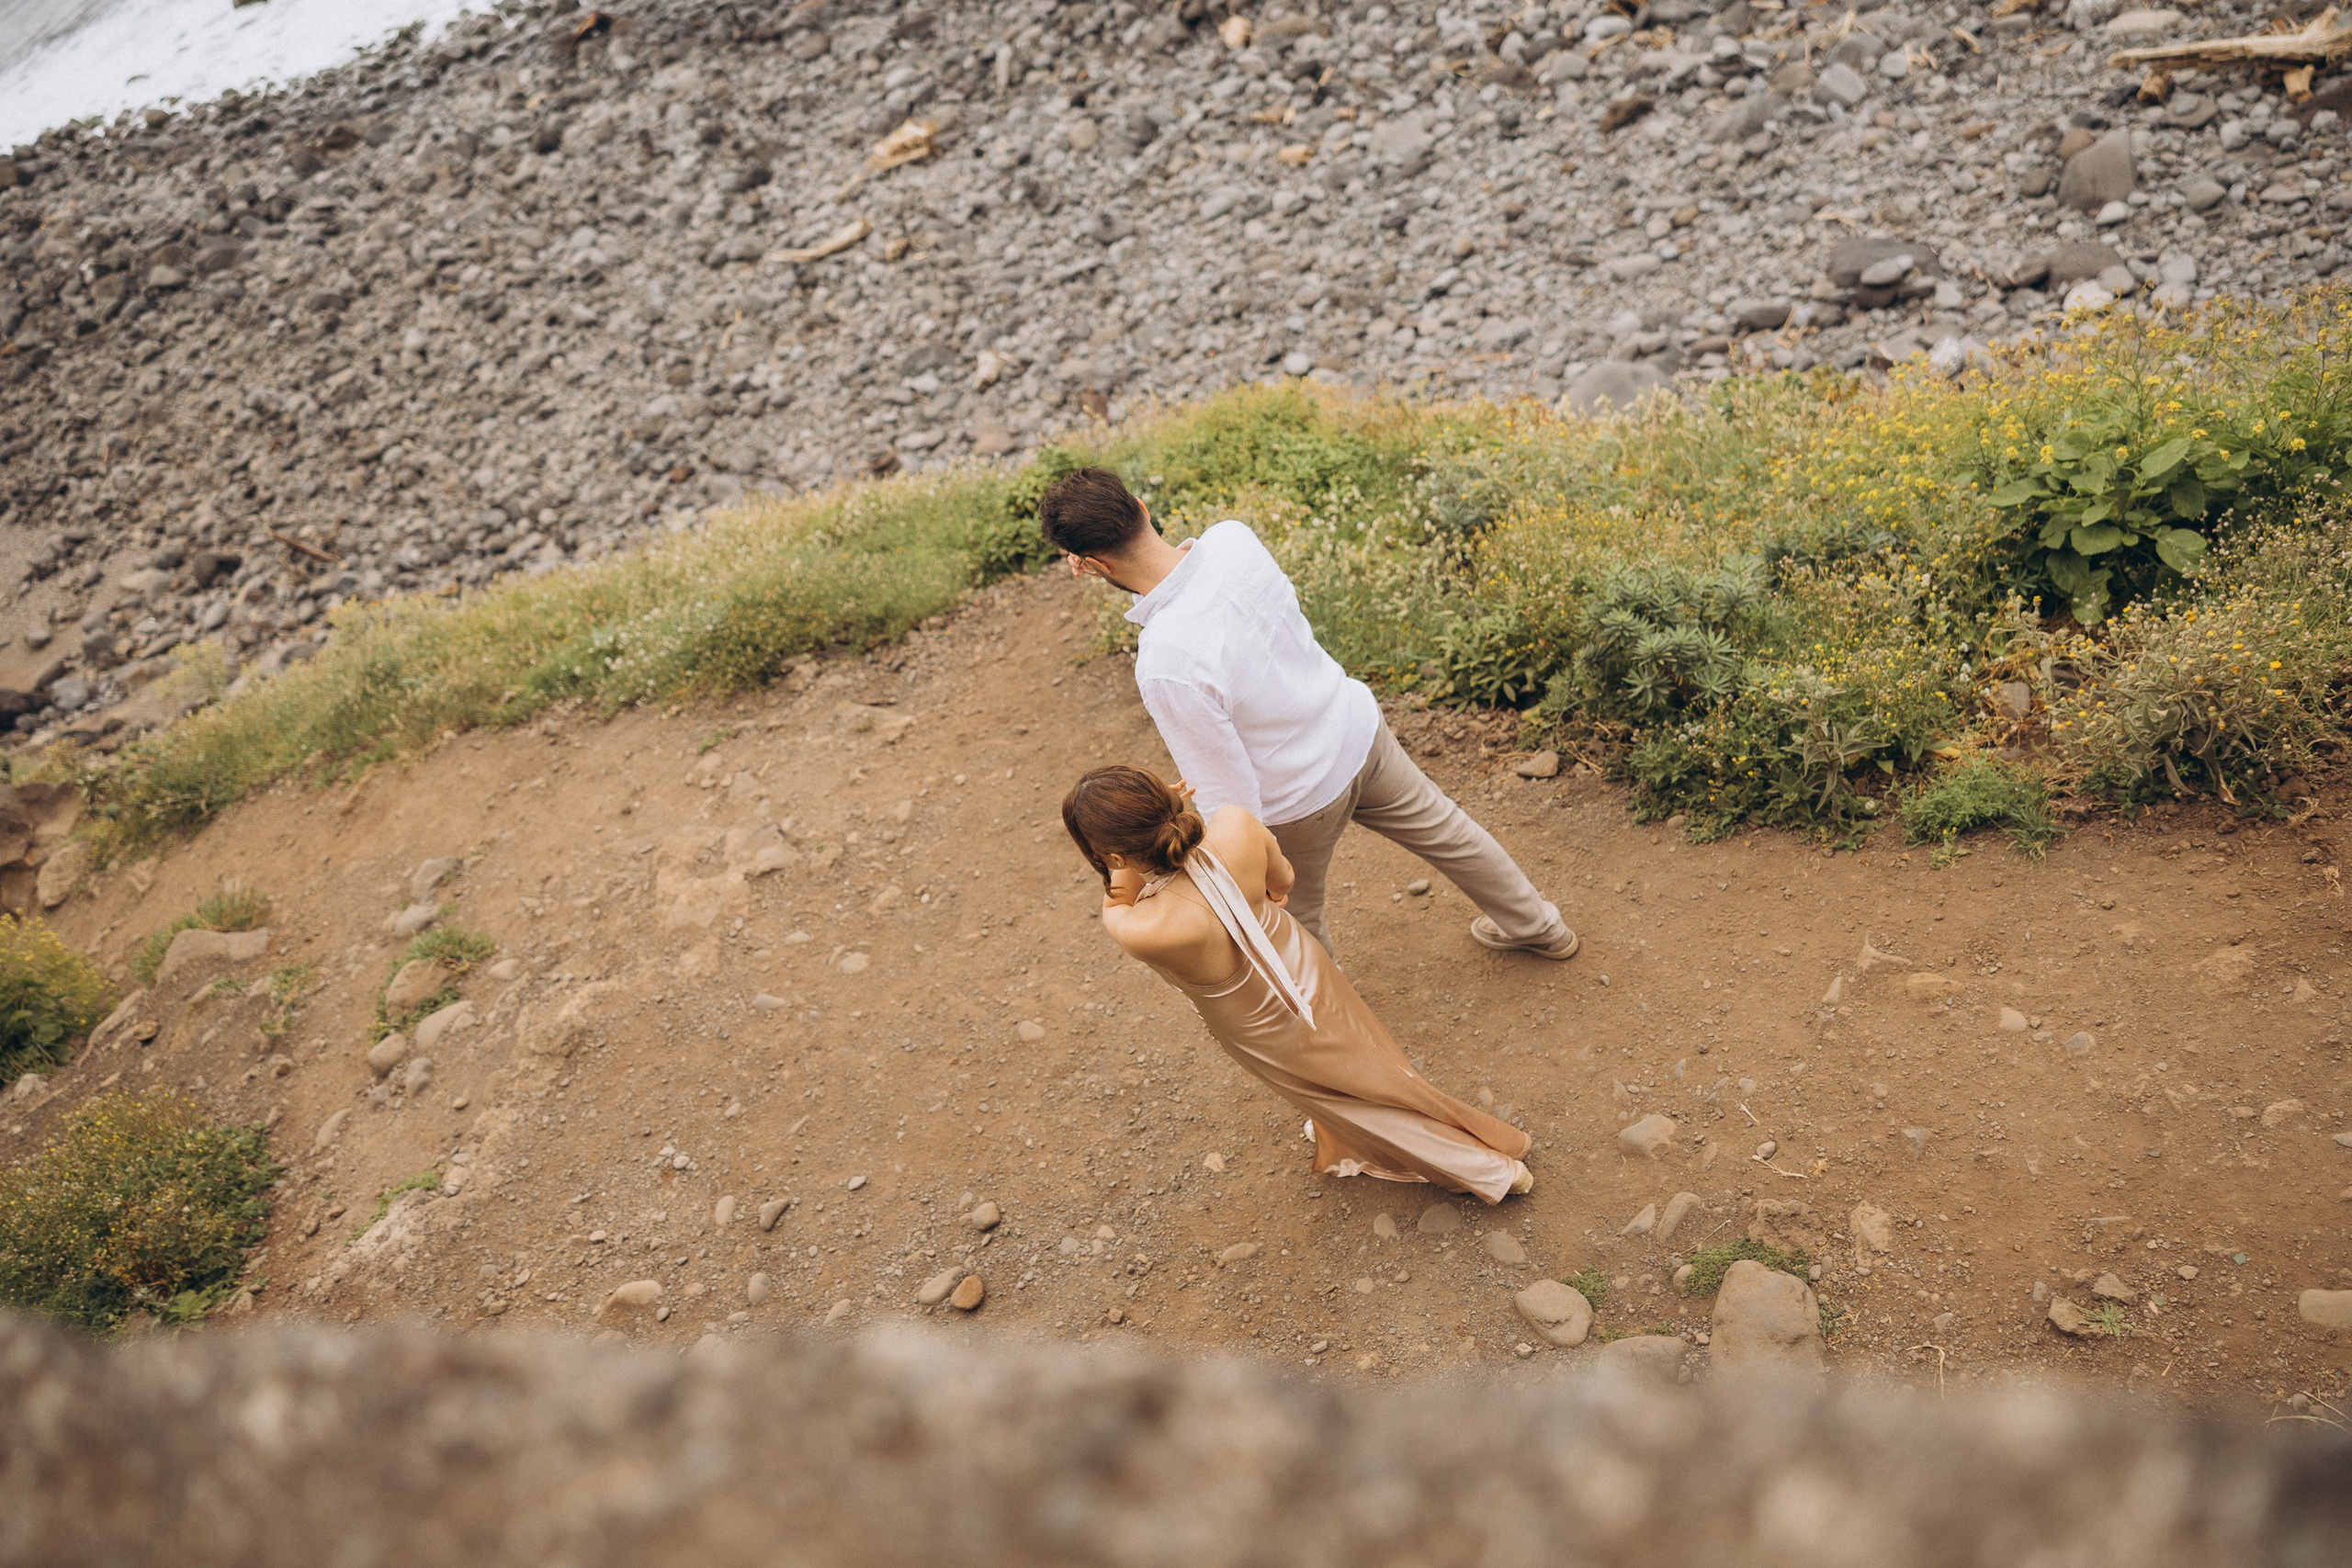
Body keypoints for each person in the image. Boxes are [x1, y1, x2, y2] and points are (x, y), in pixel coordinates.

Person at [1038, 467, 1576, 961]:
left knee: (1295, 922)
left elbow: (1230, 795)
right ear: (1141, 507)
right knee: (1450, 833)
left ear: (1093, 565)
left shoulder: (1165, 661)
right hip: (1356, 729)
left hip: (1296, 801)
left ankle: (1332, 1034)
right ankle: (1540, 927)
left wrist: (1252, 866)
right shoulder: (1233, 539)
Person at [1062, 764, 1533, 1201]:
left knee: (1331, 1095)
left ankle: (1488, 1171)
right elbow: (1283, 880)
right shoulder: (1236, 824)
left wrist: (1123, 861)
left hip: (1252, 1022)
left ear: (1114, 853)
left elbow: (1121, 891)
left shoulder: (1145, 927)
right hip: (1300, 964)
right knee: (1371, 1061)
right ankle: (1399, 1133)